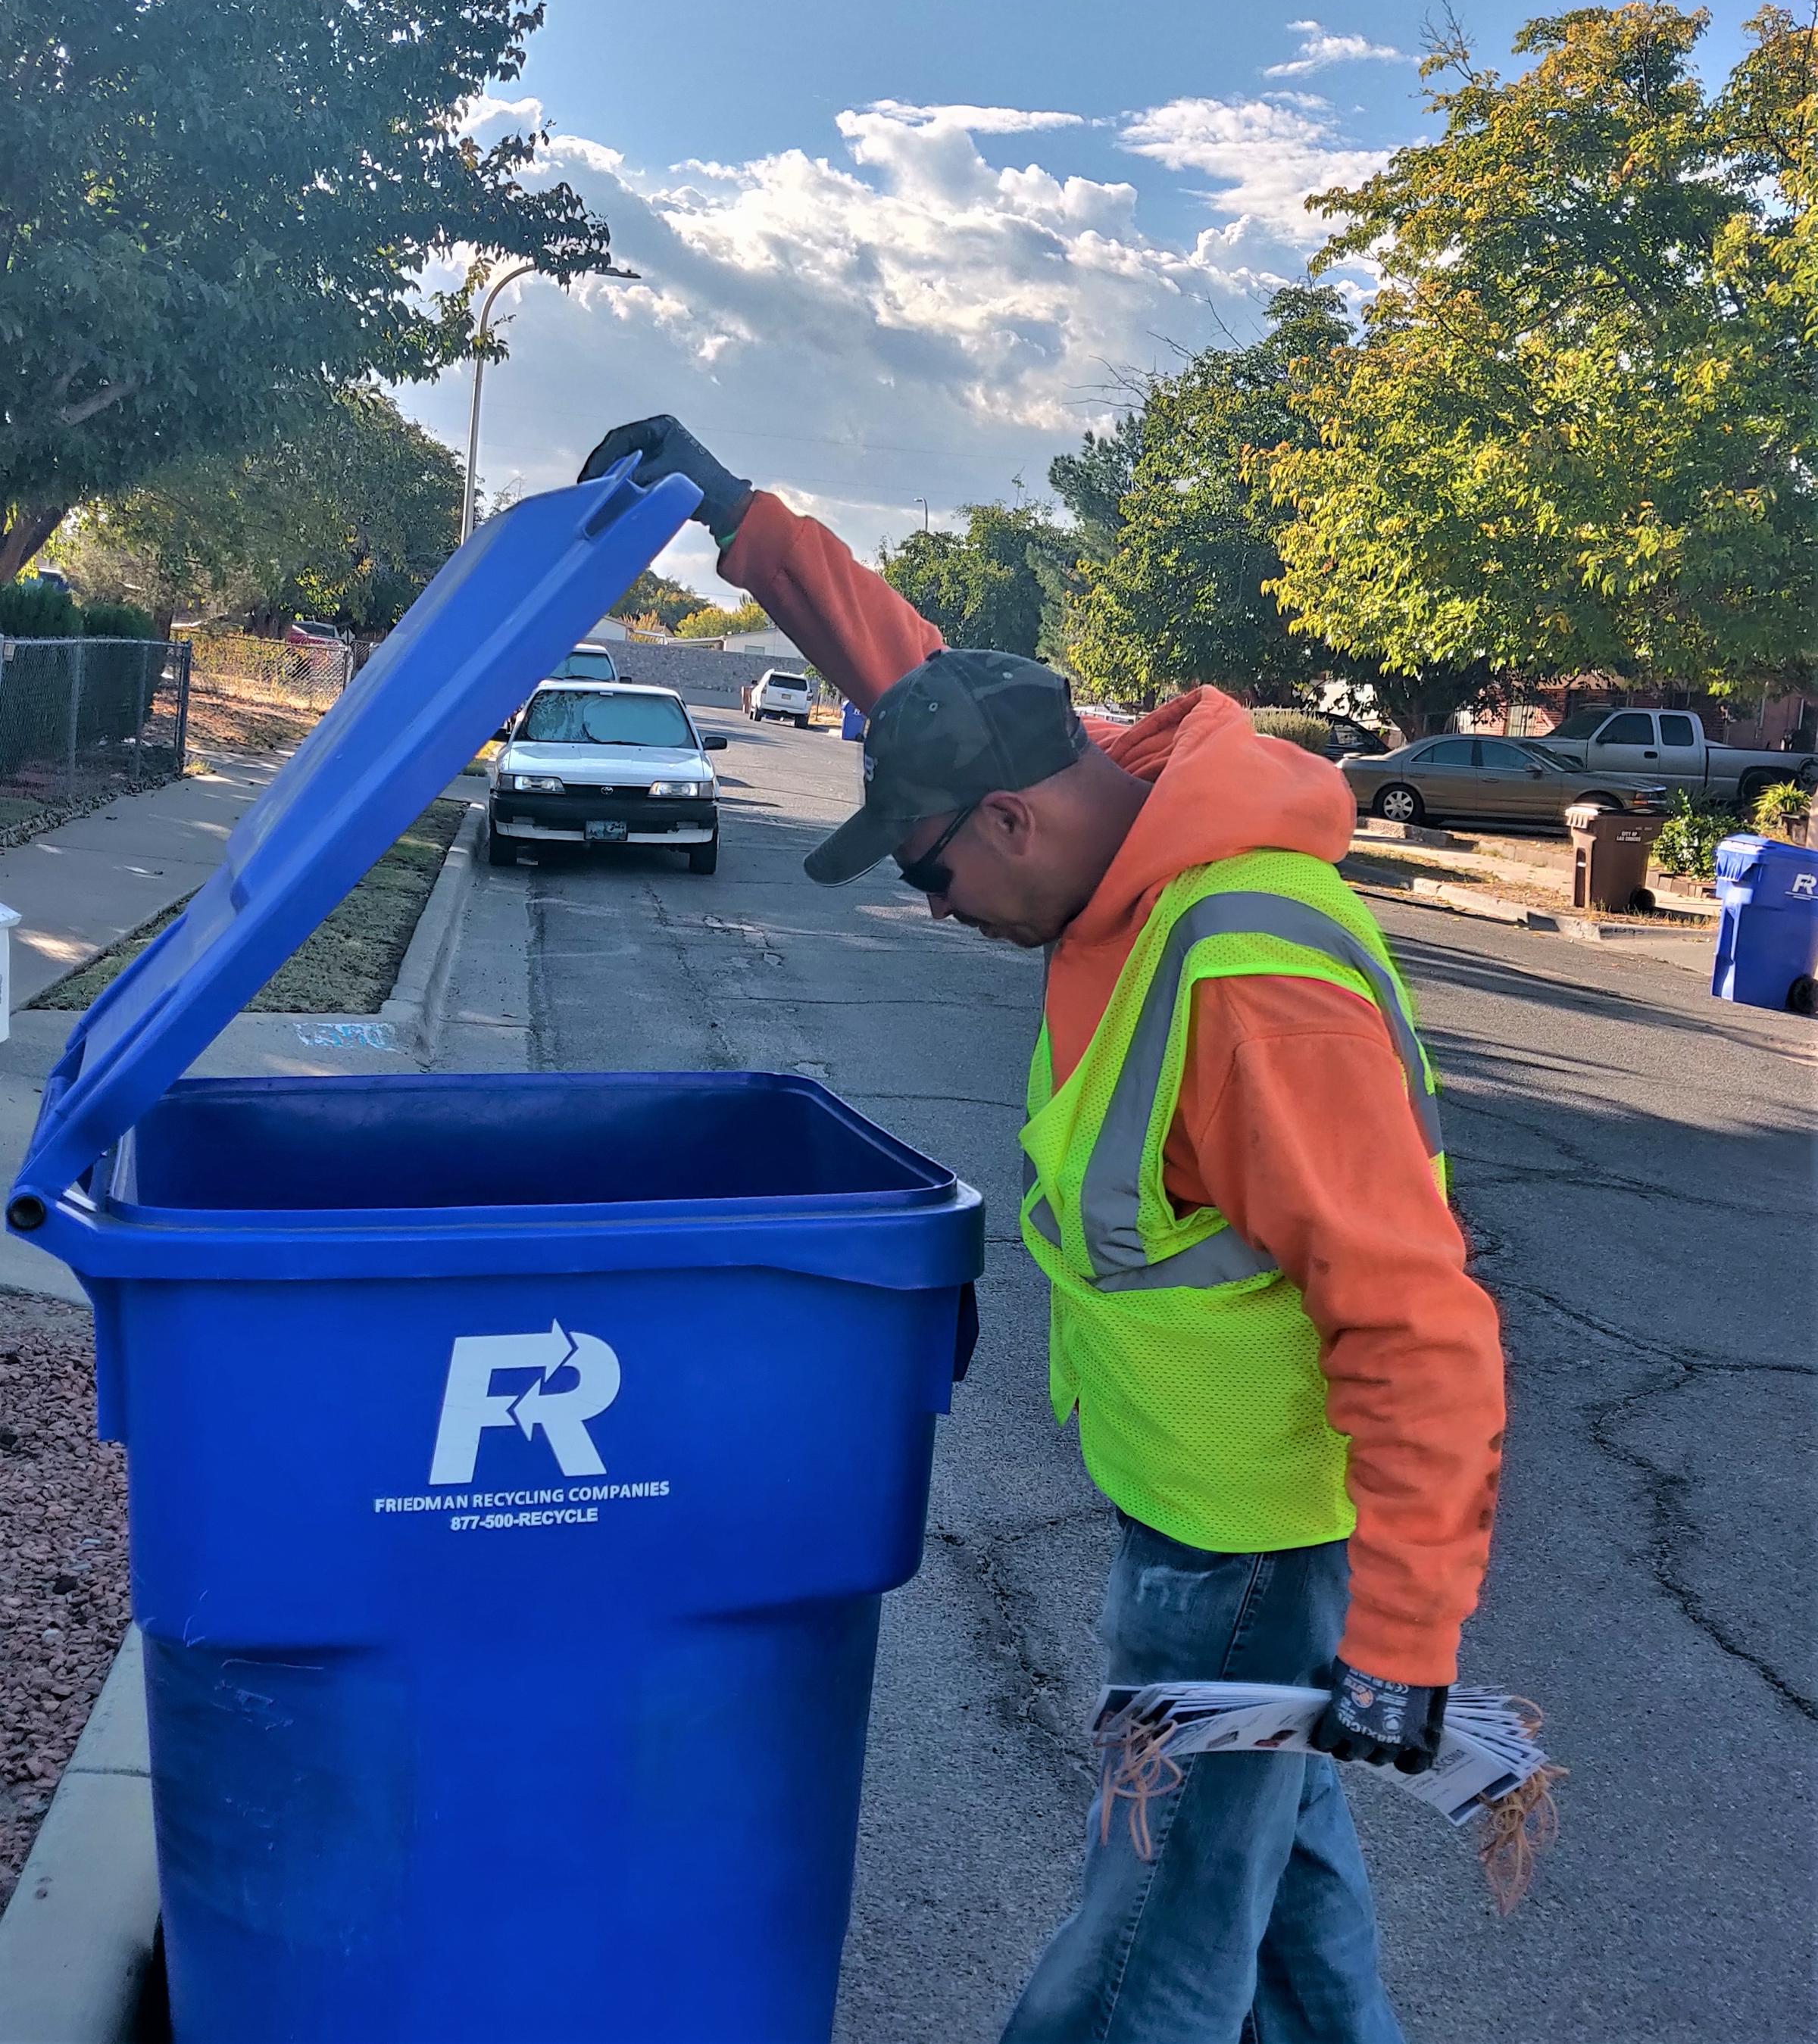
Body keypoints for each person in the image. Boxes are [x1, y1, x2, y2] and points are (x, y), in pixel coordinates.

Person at [581, 417, 1507, 2044]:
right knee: (1282, 1895)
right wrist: (745, 521)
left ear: (1009, 820)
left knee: (1154, 1924)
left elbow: (1415, 1318)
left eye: (931, 875)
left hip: (1250, 1553)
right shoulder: (1101, 821)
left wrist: (1407, 1632)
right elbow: (922, 682)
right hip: (1194, 1510)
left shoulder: (1251, 978)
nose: (935, 909)